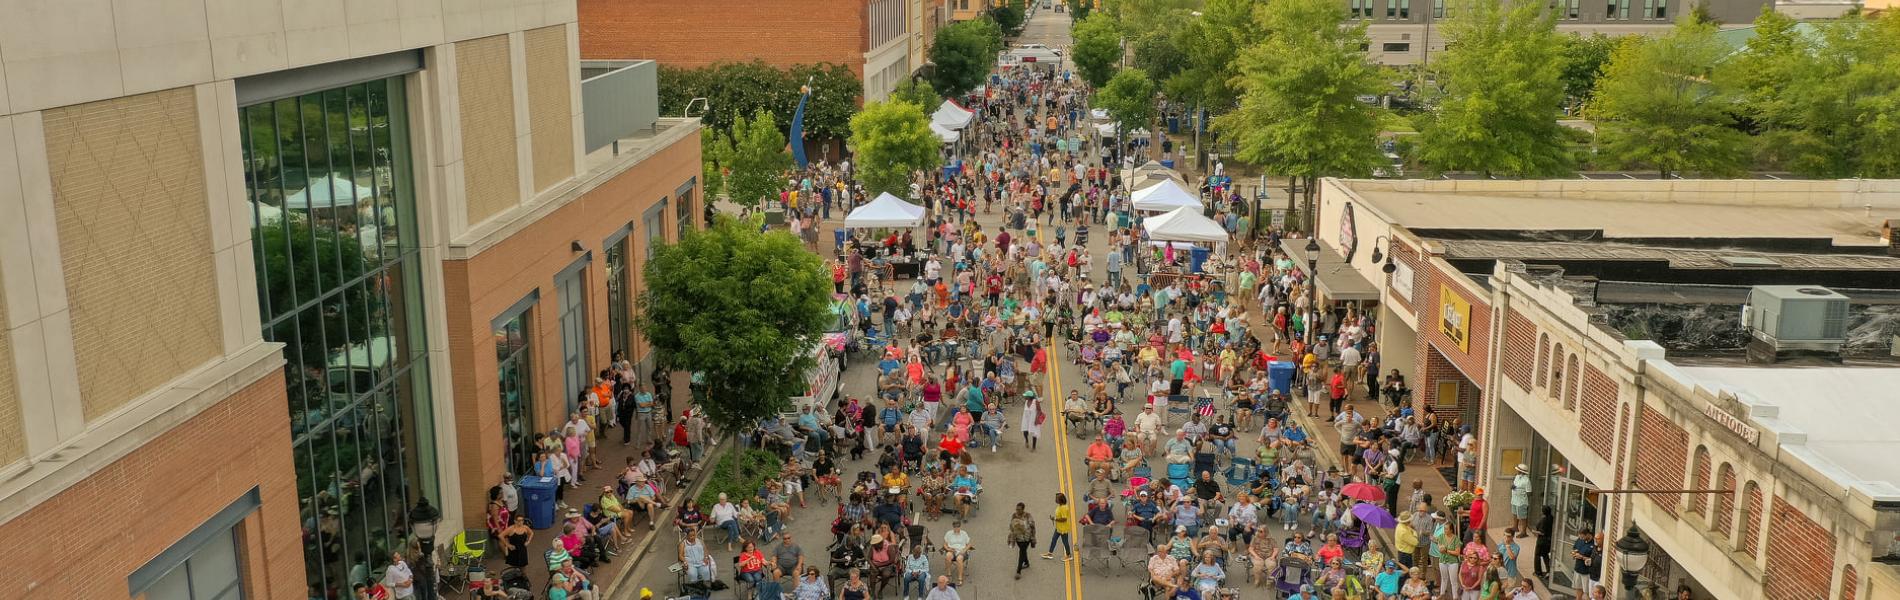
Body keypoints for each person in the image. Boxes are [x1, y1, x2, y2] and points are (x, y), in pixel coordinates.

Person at [1010, 502, 1038, 578]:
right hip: (1018, 538)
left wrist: (1033, 537)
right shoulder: (1014, 515)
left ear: (1023, 509)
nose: (1017, 511)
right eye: (1016, 509)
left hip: (1026, 538)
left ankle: (1018, 571)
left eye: (1019, 509)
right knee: (1023, 550)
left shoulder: (1028, 516)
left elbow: (1032, 526)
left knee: (1021, 552)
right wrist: (1012, 537)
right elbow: (1011, 526)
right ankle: (1026, 562)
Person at [1572, 529, 1599, 594]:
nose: (1581, 539)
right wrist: (1574, 554)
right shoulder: (1580, 540)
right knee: (1578, 589)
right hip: (1578, 569)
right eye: (1580, 537)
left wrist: (1582, 557)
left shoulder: (1594, 544)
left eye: (1583, 537)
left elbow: (1595, 559)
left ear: (1588, 535)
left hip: (1587, 572)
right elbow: (1574, 549)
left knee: (1587, 593)